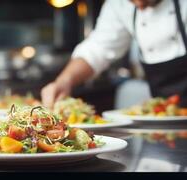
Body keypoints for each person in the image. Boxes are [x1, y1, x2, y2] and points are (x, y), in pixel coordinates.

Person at [41, 0, 187, 107]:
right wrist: (65, 80)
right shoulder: (118, 4)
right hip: (164, 121)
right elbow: (98, 48)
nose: (139, 4)